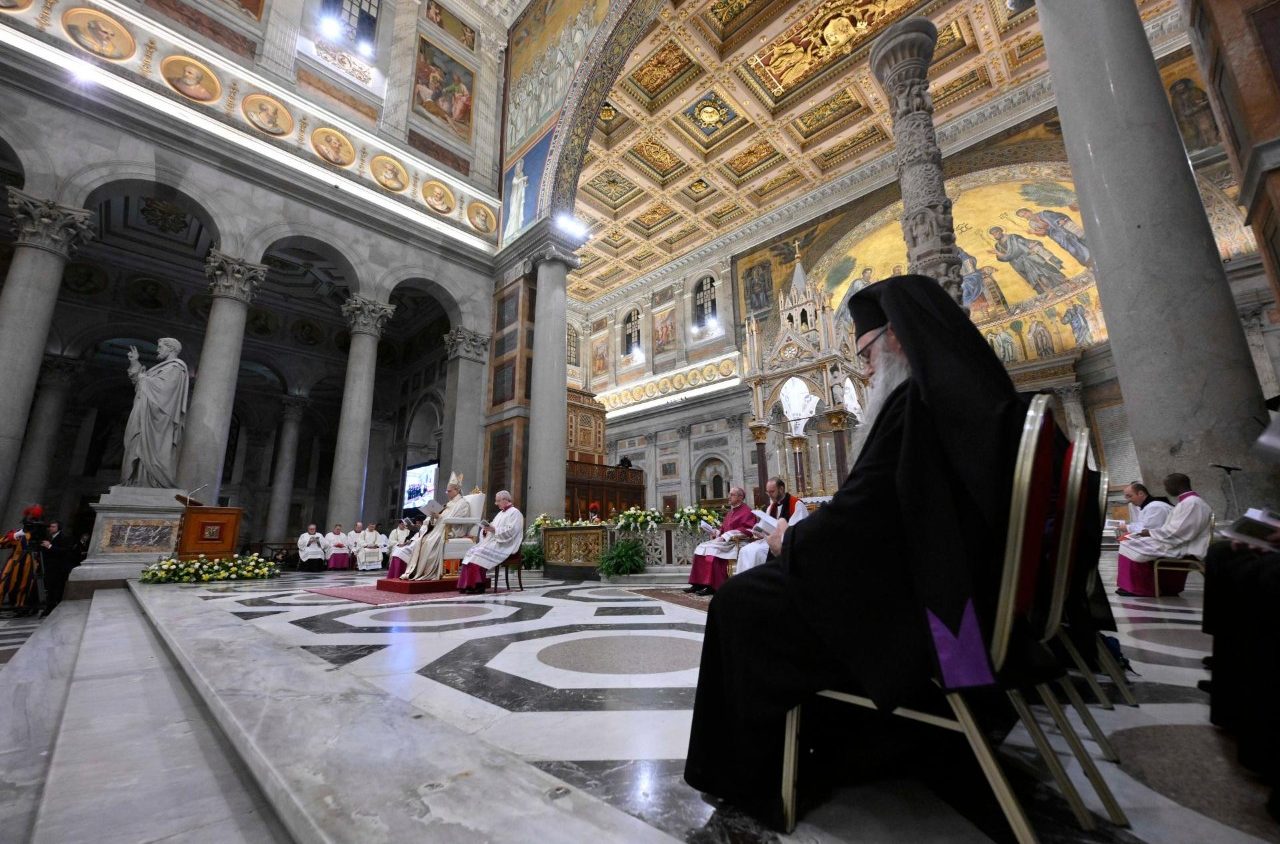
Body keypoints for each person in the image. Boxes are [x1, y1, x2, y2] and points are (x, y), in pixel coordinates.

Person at [684, 275, 1027, 830]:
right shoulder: (960, 395)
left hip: (920, 615)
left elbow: (865, 515)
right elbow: (887, 514)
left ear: (897, 338)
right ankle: (855, 741)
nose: (865, 369)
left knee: (738, 603)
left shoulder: (914, 402)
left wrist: (792, 540)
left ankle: (757, 775)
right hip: (956, 598)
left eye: (865, 353)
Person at [1116, 472, 1213, 597]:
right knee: (1129, 542)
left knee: (1129, 545)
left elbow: (1178, 532)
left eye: (1166, 486)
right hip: (1178, 541)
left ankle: (1142, 589)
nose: (1166, 489)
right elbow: (1176, 528)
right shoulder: (1188, 502)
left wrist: (1150, 532)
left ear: (1175, 485)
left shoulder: (1192, 503)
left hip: (1185, 546)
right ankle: (1148, 586)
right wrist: (1150, 533)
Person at [121, 338, 188, 488]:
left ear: (171, 348)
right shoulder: (163, 368)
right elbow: (141, 382)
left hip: (158, 419)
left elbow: (165, 391)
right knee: (135, 444)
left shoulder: (176, 368)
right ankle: (135, 480)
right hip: (143, 412)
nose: (157, 350)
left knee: (153, 450)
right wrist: (135, 363)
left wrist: (143, 379)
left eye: (160, 347)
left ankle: (153, 481)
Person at [684, 486, 757, 597]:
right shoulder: (730, 512)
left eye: (732, 495)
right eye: (729, 494)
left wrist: (726, 535)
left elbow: (748, 530)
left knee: (713, 553)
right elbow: (723, 530)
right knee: (700, 548)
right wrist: (715, 532)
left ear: (740, 497)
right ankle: (697, 584)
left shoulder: (747, 511)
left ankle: (713, 586)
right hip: (725, 542)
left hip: (736, 543)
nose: (729, 497)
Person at [401, 474, 472, 581]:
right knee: (421, 540)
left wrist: (439, 516)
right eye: (447, 491)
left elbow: (456, 520)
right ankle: (418, 571)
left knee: (429, 542)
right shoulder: (449, 503)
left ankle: (428, 571)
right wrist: (434, 517)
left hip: (452, 530)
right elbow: (441, 518)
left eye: (449, 491)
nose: (447, 493)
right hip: (440, 528)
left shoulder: (462, 503)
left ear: (457, 490)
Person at [735, 477, 808, 575]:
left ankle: (759, 580)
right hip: (769, 540)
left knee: (755, 552)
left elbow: (798, 530)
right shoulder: (771, 507)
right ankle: (744, 582)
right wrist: (759, 531)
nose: (769, 495)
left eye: (772, 492)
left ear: (781, 489)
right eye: (767, 492)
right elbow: (765, 525)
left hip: (786, 544)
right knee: (745, 550)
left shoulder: (796, 504)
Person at [456, 490, 523, 594]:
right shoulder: (500, 513)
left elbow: (512, 531)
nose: (496, 503)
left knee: (478, 554)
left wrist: (494, 530)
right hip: (494, 542)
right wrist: (485, 531)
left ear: (505, 500)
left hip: (505, 544)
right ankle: (467, 585)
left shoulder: (515, 513)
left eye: (498, 501)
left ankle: (478, 586)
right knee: (471, 552)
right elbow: (492, 528)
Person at [1, 506, 48, 617]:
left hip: (30, 562)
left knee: (24, 586)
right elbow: (2, 543)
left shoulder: (38, 535)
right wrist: (15, 535)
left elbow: (43, 547)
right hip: (15, 561)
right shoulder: (18, 533)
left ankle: (20, 607)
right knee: (4, 583)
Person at [40, 520, 80, 617]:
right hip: (50, 567)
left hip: (59, 568)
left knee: (57, 588)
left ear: (59, 528)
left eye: (53, 526)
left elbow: (65, 551)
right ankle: (50, 607)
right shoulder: (48, 537)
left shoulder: (64, 537)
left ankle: (55, 608)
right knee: (50, 588)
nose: (51, 528)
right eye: (50, 526)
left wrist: (50, 546)